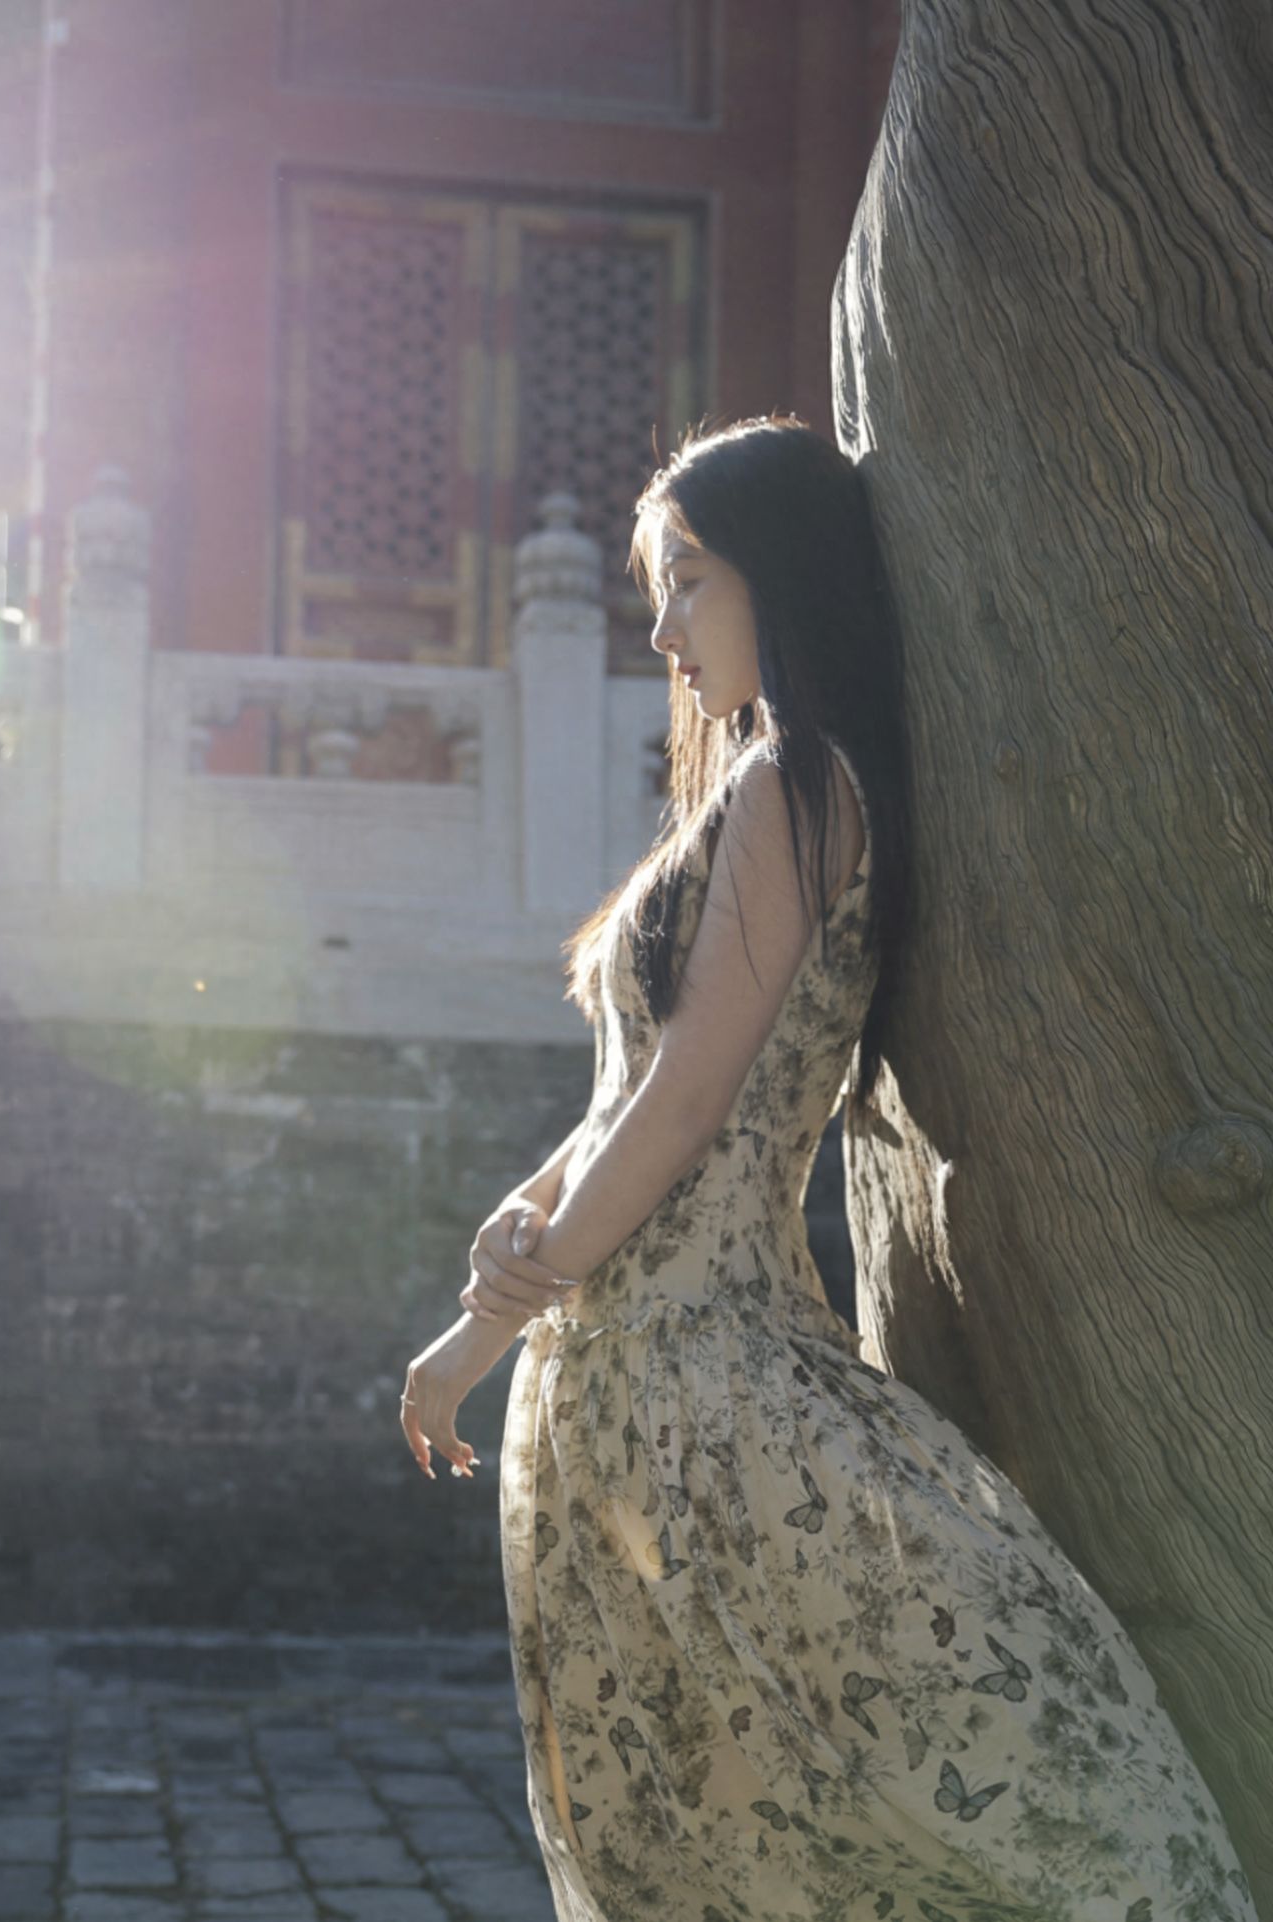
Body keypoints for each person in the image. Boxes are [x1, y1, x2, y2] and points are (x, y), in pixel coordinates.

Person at [399, 417, 1255, 1922]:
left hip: (706, 1378)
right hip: (628, 1376)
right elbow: (631, 1092)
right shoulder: (753, 789)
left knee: (870, 1792)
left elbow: (689, 1100)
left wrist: (479, 1335)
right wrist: (518, 1218)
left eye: (688, 579)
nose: (662, 627)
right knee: (700, 1827)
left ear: (779, 572)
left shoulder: (802, 783)